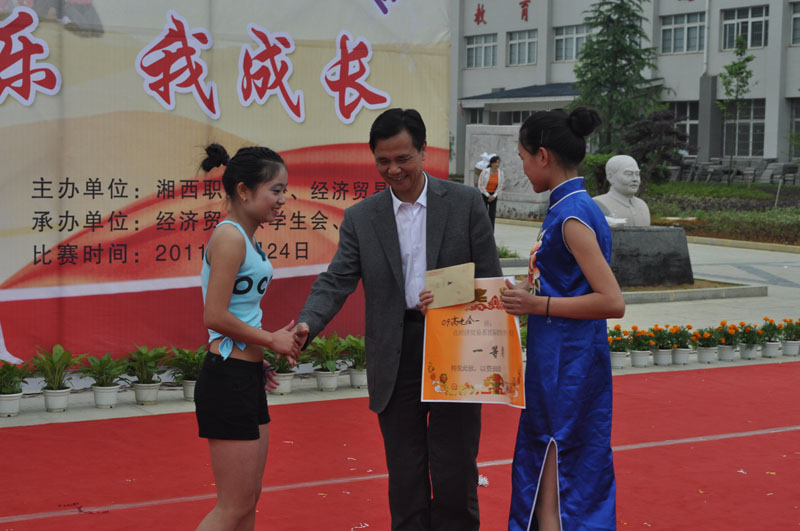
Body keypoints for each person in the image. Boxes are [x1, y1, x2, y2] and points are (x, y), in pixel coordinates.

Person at [293, 108, 502, 531]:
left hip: (455, 346)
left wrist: (447, 295)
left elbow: (489, 278)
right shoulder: (362, 217)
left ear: (424, 152)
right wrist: (307, 323)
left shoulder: (464, 203)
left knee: (455, 464)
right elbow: (336, 279)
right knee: (405, 469)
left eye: (403, 158)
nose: (393, 169)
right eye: (383, 161)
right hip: (396, 349)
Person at [501, 107, 625, 531]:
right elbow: (560, 282)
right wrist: (524, 292)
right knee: (558, 468)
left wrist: (537, 306)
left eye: (522, 158)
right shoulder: (571, 207)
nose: (522, 168)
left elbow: (612, 301)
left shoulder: (571, 216)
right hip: (562, 358)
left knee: (553, 474)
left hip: (565, 365)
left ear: (543, 155)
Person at [194, 144, 301, 531]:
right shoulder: (230, 237)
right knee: (232, 506)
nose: (282, 200)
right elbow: (215, 315)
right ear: (243, 190)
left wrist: (260, 352)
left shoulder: (247, 238)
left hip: (246, 376)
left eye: (284, 190)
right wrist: (270, 339)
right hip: (227, 379)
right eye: (276, 190)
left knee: (247, 501)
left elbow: (239, 314)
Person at [592, 154, 651, 226]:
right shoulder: (596, 204)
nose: (635, 179)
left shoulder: (642, 205)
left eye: (637, 174)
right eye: (629, 174)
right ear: (610, 177)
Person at [477, 155, 504, 228]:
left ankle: (491, 231)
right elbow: (480, 185)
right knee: (483, 214)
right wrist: (488, 195)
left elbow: (501, 186)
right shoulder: (485, 171)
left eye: (498, 163)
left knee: (492, 215)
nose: (497, 164)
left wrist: (494, 196)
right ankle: (482, 229)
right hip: (484, 194)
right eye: (495, 162)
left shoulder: (501, 173)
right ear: (491, 163)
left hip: (494, 195)